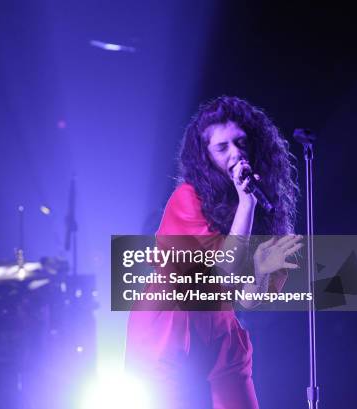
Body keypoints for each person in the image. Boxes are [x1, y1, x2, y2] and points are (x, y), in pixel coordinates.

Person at [125, 96, 303, 408]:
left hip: (221, 327)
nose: (236, 153)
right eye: (222, 148)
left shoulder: (268, 215)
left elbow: (248, 299)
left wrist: (262, 272)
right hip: (170, 325)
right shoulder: (186, 200)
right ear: (205, 157)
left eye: (240, 142)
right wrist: (246, 202)